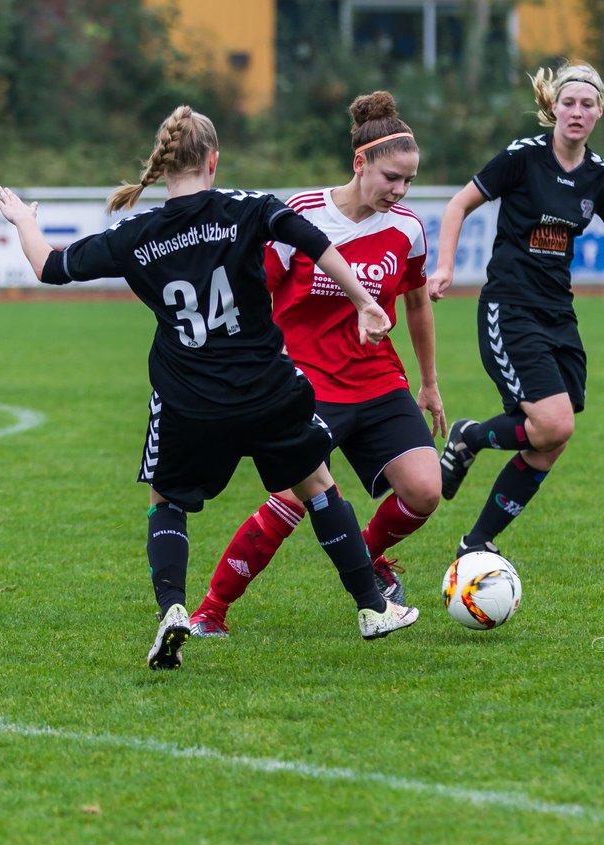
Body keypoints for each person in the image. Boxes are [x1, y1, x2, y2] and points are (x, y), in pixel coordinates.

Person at [0, 105, 419, 670]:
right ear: (214, 160)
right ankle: (371, 608)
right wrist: (365, 302)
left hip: (189, 398)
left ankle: (173, 609)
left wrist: (24, 220)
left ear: (165, 165)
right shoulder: (248, 208)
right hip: (265, 387)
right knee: (317, 484)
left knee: (167, 500)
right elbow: (315, 242)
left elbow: (49, 267)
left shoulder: (136, 234)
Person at [188, 91, 444, 639]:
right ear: (360, 163)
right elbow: (254, 294)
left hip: (377, 378)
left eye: (409, 181)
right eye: (392, 178)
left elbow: (418, 303)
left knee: (426, 490)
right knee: (291, 500)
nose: (400, 191)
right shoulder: (300, 217)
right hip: (306, 384)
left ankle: (367, 558)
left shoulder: (408, 230)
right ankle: (211, 611)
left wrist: (429, 383)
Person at [426, 60, 604, 558]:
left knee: (552, 442)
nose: (577, 112)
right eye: (569, 102)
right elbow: (457, 205)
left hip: (558, 315)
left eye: (588, 105)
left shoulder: (601, 178)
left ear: (599, 113)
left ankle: (476, 542)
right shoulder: (522, 157)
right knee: (554, 425)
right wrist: (446, 267)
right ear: (554, 107)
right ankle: (471, 438)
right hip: (509, 307)